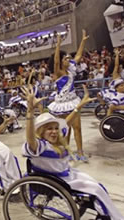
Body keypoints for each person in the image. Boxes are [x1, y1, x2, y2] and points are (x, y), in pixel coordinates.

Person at [22, 84, 124, 220]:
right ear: (41, 132)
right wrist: (30, 111)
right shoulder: (40, 146)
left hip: (69, 175)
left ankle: (107, 215)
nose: (54, 131)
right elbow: (30, 138)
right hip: (60, 180)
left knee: (99, 188)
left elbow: (66, 123)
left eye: (55, 128)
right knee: (97, 190)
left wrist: (79, 106)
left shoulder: (56, 138)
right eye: (49, 129)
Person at [47, 31, 89, 162]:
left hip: (72, 101)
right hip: (61, 104)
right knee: (65, 129)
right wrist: (58, 44)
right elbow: (55, 62)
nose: (68, 59)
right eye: (65, 58)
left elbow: (78, 55)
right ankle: (66, 150)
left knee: (77, 128)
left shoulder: (71, 68)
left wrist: (83, 41)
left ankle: (80, 152)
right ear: (60, 61)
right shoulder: (58, 72)